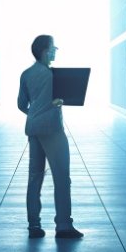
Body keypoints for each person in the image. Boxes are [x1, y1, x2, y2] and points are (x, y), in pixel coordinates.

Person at [17, 34, 82, 239]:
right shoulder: (54, 76)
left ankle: (34, 225)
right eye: (53, 47)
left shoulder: (26, 74)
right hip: (52, 129)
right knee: (61, 177)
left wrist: (35, 113)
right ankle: (63, 225)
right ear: (45, 51)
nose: (55, 51)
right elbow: (62, 99)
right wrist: (51, 107)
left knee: (35, 177)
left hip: (33, 129)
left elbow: (21, 104)